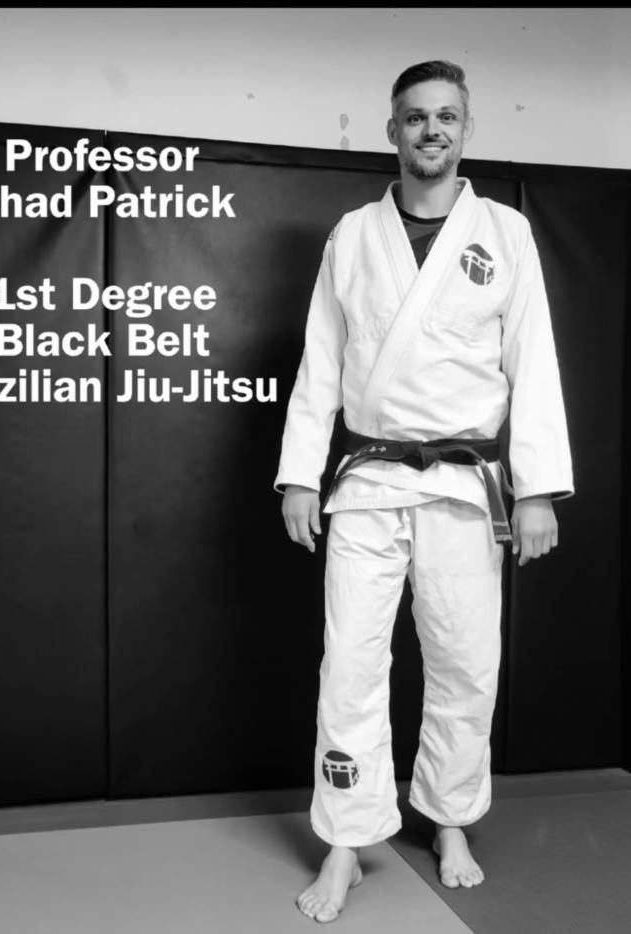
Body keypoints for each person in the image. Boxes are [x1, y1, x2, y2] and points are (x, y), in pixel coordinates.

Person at [274, 60, 574, 923]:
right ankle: (345, 840)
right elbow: (321, 363)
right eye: (415, 117)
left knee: (465, 663)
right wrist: (299, 475)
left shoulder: (505, 233)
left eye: (446, 116)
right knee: (351, 665)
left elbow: (534, 363)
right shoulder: (352, 236)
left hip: (466, 487)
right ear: (393, 131)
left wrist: (537, 491)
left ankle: (448, 819)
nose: (431, 130)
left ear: (465, 129)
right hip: (367, 481)